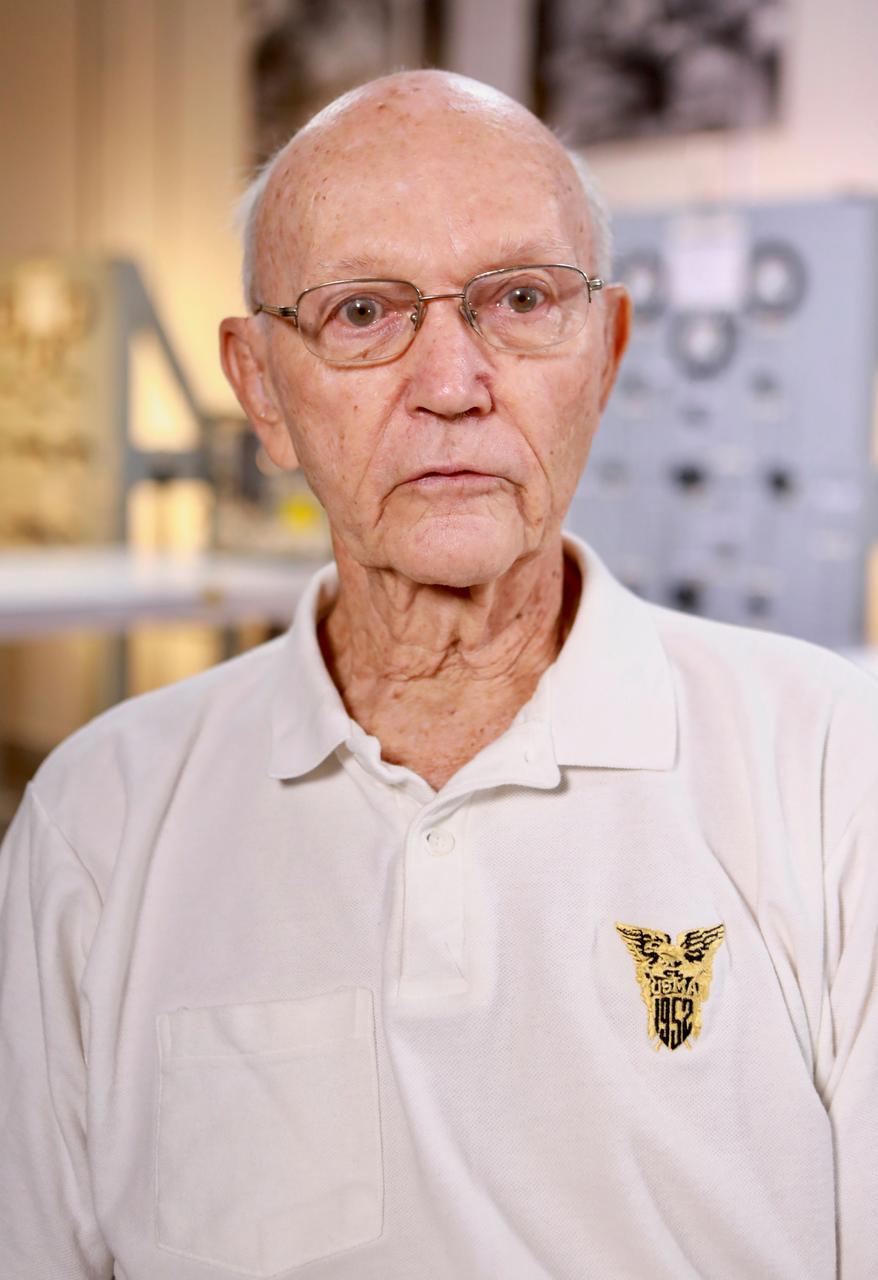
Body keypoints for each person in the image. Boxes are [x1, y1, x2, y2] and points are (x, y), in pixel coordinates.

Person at [0, 68, 876, 1280]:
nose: (453, 383)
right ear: (261, 387)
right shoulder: (98, 826)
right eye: (363, 312)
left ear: (605, 350)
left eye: (520, 298)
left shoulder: (831, 765)